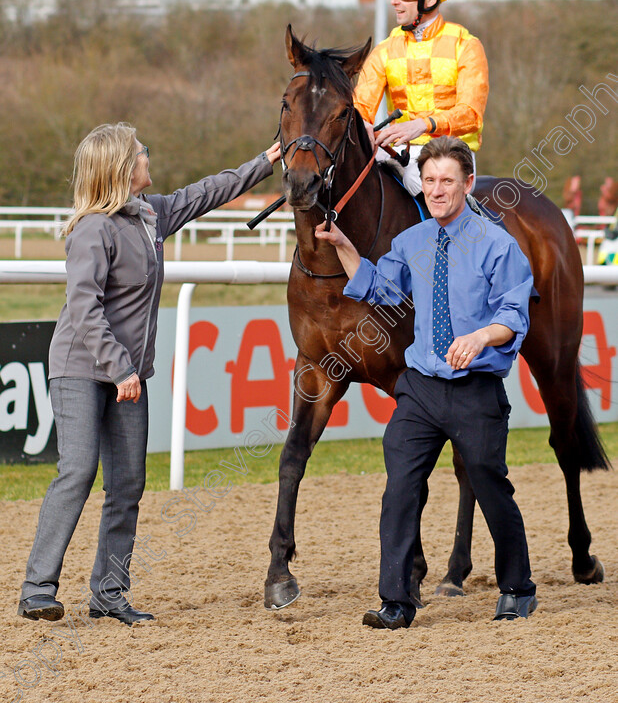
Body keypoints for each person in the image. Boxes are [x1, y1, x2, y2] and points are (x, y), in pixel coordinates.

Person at [18, 122, 280, 626]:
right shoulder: (93, 228)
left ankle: (109, 593)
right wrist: (121, 369)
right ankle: (37, 589)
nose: (147, 155)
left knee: (129, 484)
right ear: (120, 167)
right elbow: (85, 310)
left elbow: (207, 193)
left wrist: (265, 161)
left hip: (128, 376)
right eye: (140, 152)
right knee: (78, 471)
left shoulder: (150, 214)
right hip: (80, 369)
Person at [315, 136, 537, 629]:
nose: (437, 190)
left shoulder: (497, 244)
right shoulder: (412, 240)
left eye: (447, 181)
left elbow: (514, 315)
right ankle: (397, 600)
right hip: (419, 387)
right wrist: (345, 246)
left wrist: (480, 337)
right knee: (400, 489)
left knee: (489, 485)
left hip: (474, 390)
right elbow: (377, 285)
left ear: (468, 184)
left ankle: (518, 587)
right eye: (430, 180)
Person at [354, 0, 489, 197]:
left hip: (450, 152)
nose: (394, 0)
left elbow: (471, 115)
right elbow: (360, 109)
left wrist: (423, 125)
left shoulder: (466, 46)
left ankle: (469, 232)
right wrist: (361, 129)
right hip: (399, 150)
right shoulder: (384, 50)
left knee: (426, 184)